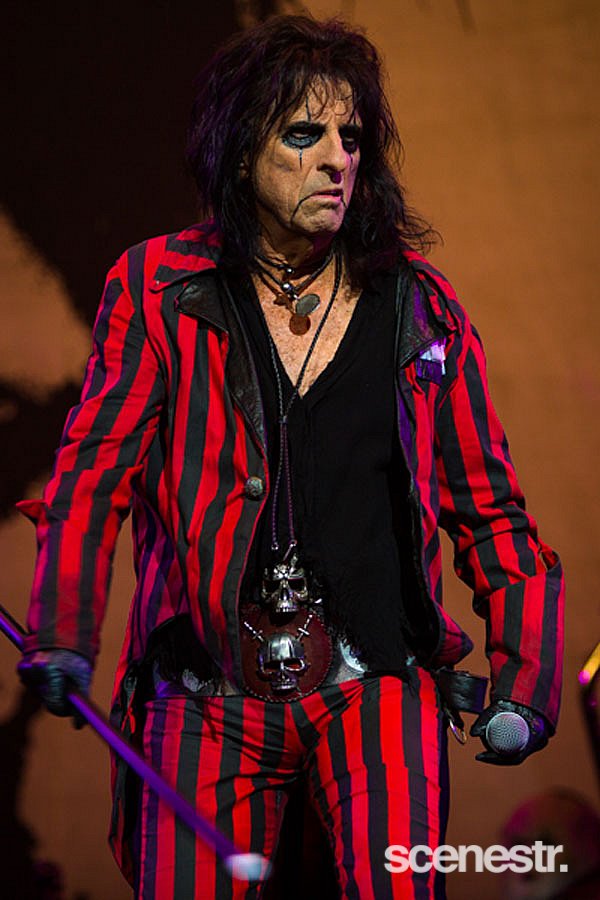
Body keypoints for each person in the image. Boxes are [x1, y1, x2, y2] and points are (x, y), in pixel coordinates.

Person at [16, 14, 564, 900]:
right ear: (241, 154)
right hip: (203, 691)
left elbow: (489, 508)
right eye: (304, 135)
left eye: (352, 136)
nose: (337, 159)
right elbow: (91, 477)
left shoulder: (420, 308)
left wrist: (525, 680)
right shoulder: (158, 291)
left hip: (377, 688)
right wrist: (61, 628)